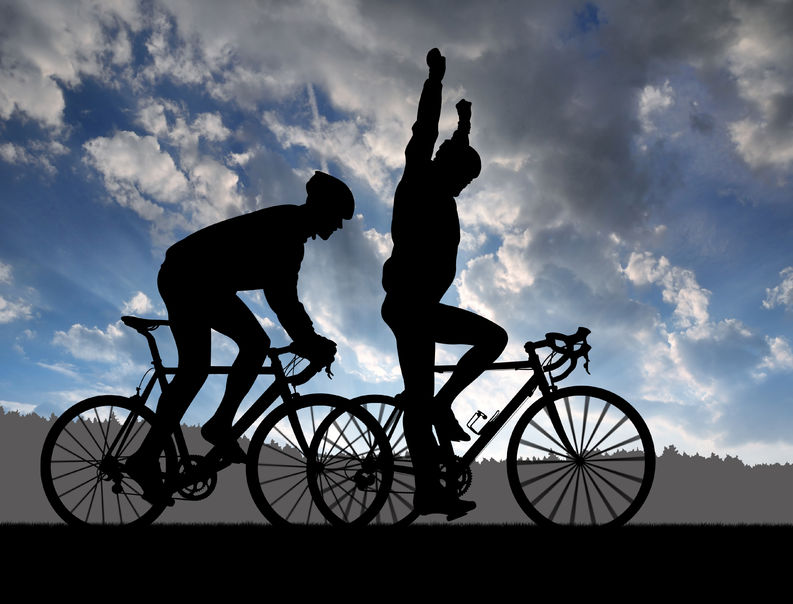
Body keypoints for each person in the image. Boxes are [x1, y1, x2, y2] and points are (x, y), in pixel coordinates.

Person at [126, 171, 354, 503]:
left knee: (242, 349)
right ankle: (154, 455)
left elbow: (283, 299)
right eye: (337, 217)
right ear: (320, 208)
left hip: (199, 278)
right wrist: (310, 341)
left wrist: (309, 340)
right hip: (188, 277)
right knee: (204, 366)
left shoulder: (290, 230)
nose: (339, 226)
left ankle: (213, 426)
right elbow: (283, 300)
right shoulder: (286, 232)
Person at [381, 49, 508, 519]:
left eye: (468, 183)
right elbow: (424, 133)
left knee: (421, 398)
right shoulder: (419, 178)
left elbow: (451, 146)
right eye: (463, 179)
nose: (463, 188)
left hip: (415, 306)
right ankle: (439, 416)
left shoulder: (442, 180)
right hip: (410, 304)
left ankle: (431, 470)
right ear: (448, 167)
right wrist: (436, 80)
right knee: (490, 341)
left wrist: (466, 122)